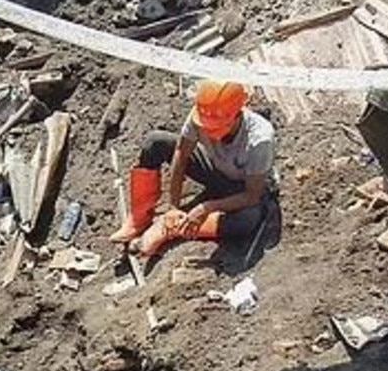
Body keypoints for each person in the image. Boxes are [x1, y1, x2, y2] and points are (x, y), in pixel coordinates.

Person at [109, 79, 277, 256]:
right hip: (215, 169)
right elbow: (181, 155)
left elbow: (252, 196)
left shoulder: (259, 139)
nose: (208, 132)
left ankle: (174, 228)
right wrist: (173, 206)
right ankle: (139, 219)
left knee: (246, 220)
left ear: (236, 115)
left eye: (215, 128)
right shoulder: (203, 113)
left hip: (243, 187)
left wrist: (206, 208)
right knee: (156, 142)